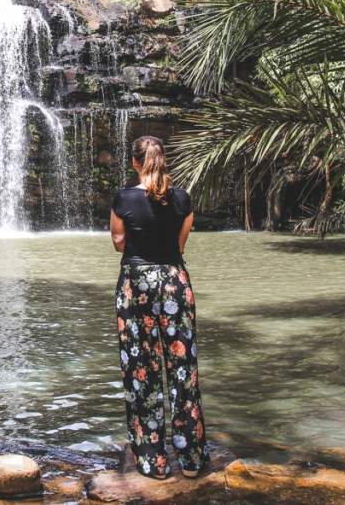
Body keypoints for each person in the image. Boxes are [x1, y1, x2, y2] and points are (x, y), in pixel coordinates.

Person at [110, 135, 209, 480]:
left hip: (135, 285)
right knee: (183, 368)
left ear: (135, 162)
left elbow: (118, 242)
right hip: (174, 283)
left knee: (141, 369)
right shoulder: (182, 197)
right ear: (163, 160)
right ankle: (192, 457)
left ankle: (153, 460)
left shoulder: (123, 198)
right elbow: (180, 244)